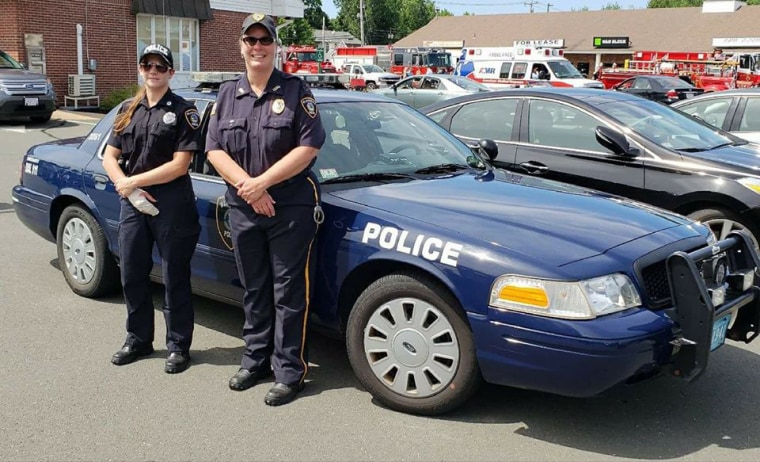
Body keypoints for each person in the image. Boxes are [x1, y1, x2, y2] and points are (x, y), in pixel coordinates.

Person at [205, 13, 326, 406]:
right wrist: (249, 188)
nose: (257, 47)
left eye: (264, 40)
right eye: (250, 40)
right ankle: (255, 360)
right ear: (240, 45)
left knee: (288, 292)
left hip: (289, 206)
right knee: (254, 287)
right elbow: (213, 150)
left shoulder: (296, 90)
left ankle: (290, 372)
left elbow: (308, 148)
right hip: (244, 207)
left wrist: (262, 184)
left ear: (276, 46)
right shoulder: (226, 94)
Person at [103, 43, 202, 374]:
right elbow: (110, 157)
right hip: (132, 204)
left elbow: (180, 164)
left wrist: (134, 181)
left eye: (161, 66)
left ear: (171, 72)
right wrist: (125, 185)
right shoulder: (128, 110)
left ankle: (178, 346)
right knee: (131, 272)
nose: (153, 71)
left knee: (175, 276)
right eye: (148, 65)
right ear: (141, 69)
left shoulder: (184, 110)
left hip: (172, 204)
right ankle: (138, 339)